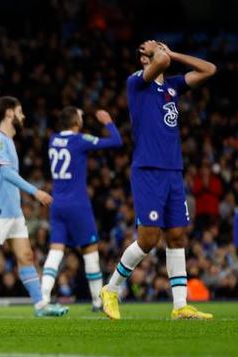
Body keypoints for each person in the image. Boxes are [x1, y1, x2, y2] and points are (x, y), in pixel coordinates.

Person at [101, 40, 216, 320]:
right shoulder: (136, 83)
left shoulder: (173, 86)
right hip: (147, 170)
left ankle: (180, 306)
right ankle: (111, 289)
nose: (148, 50)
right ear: (144, 60)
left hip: (173, 170)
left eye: (149, 48)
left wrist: (173, 52)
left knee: (177, 236)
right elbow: (161, 63)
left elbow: (209, 69)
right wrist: (161, 54)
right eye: (144, 50)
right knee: (149, 238)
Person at [0, 96, 69, 317]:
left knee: (26, 256)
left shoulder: (8, 141)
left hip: (13, 211)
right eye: (20, 111)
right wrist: (34, 191)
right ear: (9, 113)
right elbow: (5, 172)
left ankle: (40, 306)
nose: (23, 116)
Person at [41, 107, 122, 310]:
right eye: (81, 116)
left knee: (55, 251)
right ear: (76, 122)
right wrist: (108, 122)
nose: (83, 118)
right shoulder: (80, 140)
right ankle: (97, 301)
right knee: (90, 252)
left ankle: (42, 298)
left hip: (57, 204)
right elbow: (116, 141)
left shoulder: (53, 139)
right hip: (78, 204)